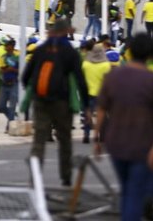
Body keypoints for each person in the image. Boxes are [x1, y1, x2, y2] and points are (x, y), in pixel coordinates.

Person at [95, 34, 153, 221]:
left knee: (126, 190)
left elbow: (101, 109)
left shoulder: (113, 75)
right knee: (135, 192)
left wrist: (97, 138)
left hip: (115, 142)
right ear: (149, 54)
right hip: (143, 145)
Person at [22, 19, 89, 186]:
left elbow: (25, 77)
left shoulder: (40, 50)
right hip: (62, 102)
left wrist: (34, 95)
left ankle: (34, 179)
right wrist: (86, 106)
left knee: (39, 140)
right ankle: (65, 177)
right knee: (65, 139)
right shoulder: (70, 52)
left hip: (40, 101)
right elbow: (80, 80)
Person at [81, 44, 110, 144]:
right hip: (101, 93)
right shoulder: (106, 65)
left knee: (87, 114)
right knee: (102, 115)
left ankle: (86, 135)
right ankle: (101, 135)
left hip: (88, 93)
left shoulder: (86, 64)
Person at [0, 39, 19, 133]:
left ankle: (9, 125)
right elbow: (0, 70)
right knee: (1, 106)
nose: (5, 47)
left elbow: (22, 70)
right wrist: (5, 70)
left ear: (12, 46)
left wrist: (12, 70)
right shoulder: (3, 57)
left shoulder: (18, 57)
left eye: (7, 45)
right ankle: (12, 117)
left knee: (12, 106)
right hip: (4, 84)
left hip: (14, 84)